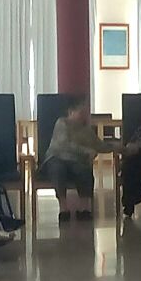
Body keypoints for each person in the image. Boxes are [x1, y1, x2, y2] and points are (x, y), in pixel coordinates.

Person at [42, 95, 110, 223]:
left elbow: (100, 145)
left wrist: (121, 148)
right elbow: (64, 144)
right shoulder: (62, 122)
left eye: (86, 113)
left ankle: (84, 208)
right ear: (70, 112)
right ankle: (64, 208)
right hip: (56, 157)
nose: (84, 116)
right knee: (58, 169)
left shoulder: (86, 130)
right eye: (81, 112)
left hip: (76, 160)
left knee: (83, 169)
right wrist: (86, 150)